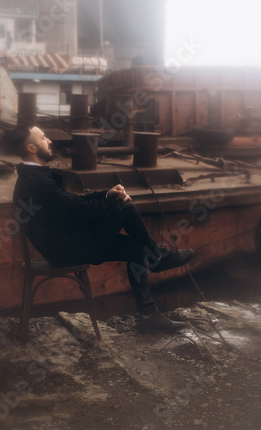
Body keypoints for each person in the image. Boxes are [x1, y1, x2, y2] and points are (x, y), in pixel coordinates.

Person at [12, 125, 194, 333]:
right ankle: (160, 258)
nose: (50, 141)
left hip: (66, 242)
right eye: (44, 138)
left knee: (137, 249)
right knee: (126, 208)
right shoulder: (37, 182)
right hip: (65, 250)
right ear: (31, 148)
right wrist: (114, 204)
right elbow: (77, 210)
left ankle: (149, 315)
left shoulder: (34, 177)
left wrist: (106, 195)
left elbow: (71, 201)